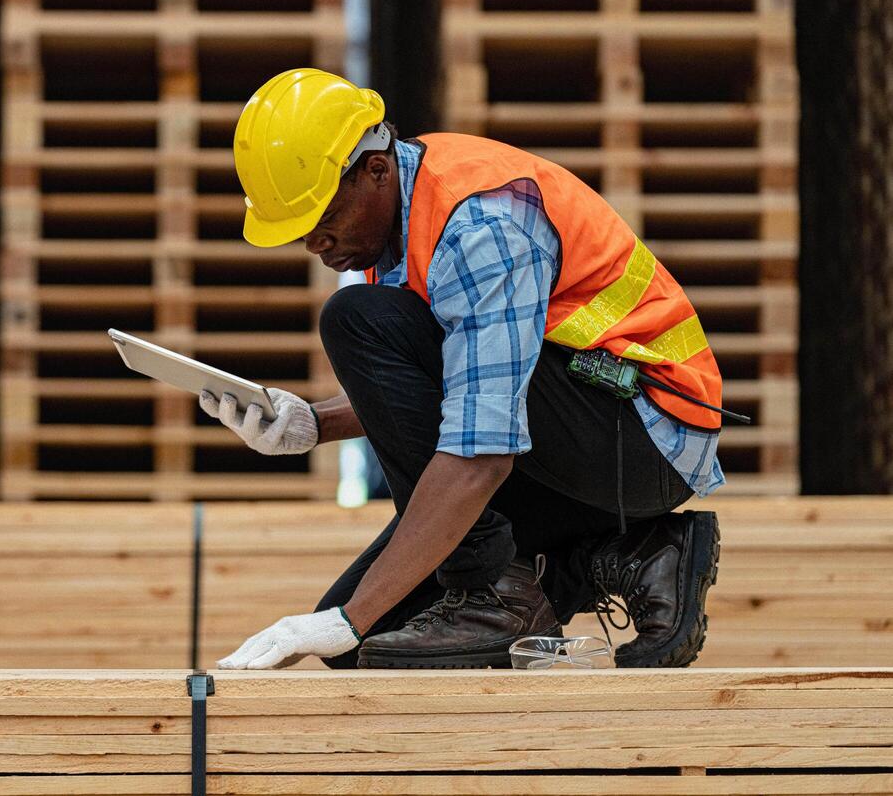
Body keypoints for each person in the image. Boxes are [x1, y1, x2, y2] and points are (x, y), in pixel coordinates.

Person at [205, 68, 729, 671]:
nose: (315, 245)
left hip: (642, 438)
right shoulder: (397, 221)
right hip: (572, 442)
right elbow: (471, 376)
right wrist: (312, 425)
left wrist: (347, 621)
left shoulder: (481, 226)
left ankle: (495, 595)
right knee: (370, 648)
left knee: (356, 320)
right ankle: (629, 554)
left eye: (321, 217)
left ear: (375, 172)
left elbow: (482, 448)